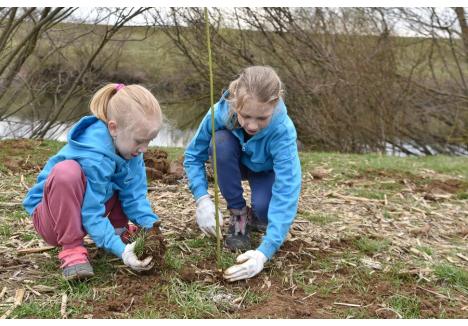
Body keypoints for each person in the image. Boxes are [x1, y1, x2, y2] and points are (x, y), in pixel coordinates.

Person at [23, 83, 163, 280]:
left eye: (149, 141)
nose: (144, 149)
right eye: (140, 141)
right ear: (113, 128)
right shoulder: (94, 157)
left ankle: (118, 231)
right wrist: (120, 251)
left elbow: (135, 196)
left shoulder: (129, 147)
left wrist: (151, 226)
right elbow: (91, 213)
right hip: (53, 219)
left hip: (90, 204)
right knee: (67, 173)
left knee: (121, 176)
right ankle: (71, 248)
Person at [184, 66, 302, 282]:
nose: (252, 125)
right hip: (233, 162)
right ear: (236, 103)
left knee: (266, 212)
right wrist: (202, 199)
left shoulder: (283, 130)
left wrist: (264, 252)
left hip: (265, 171)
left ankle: (255, 215)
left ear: (274, 105)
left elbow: (288, 187)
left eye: (262, 118)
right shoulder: (219, 113)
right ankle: (238, 215)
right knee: (220, 142)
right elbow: (193, 155)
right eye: (245, 116)